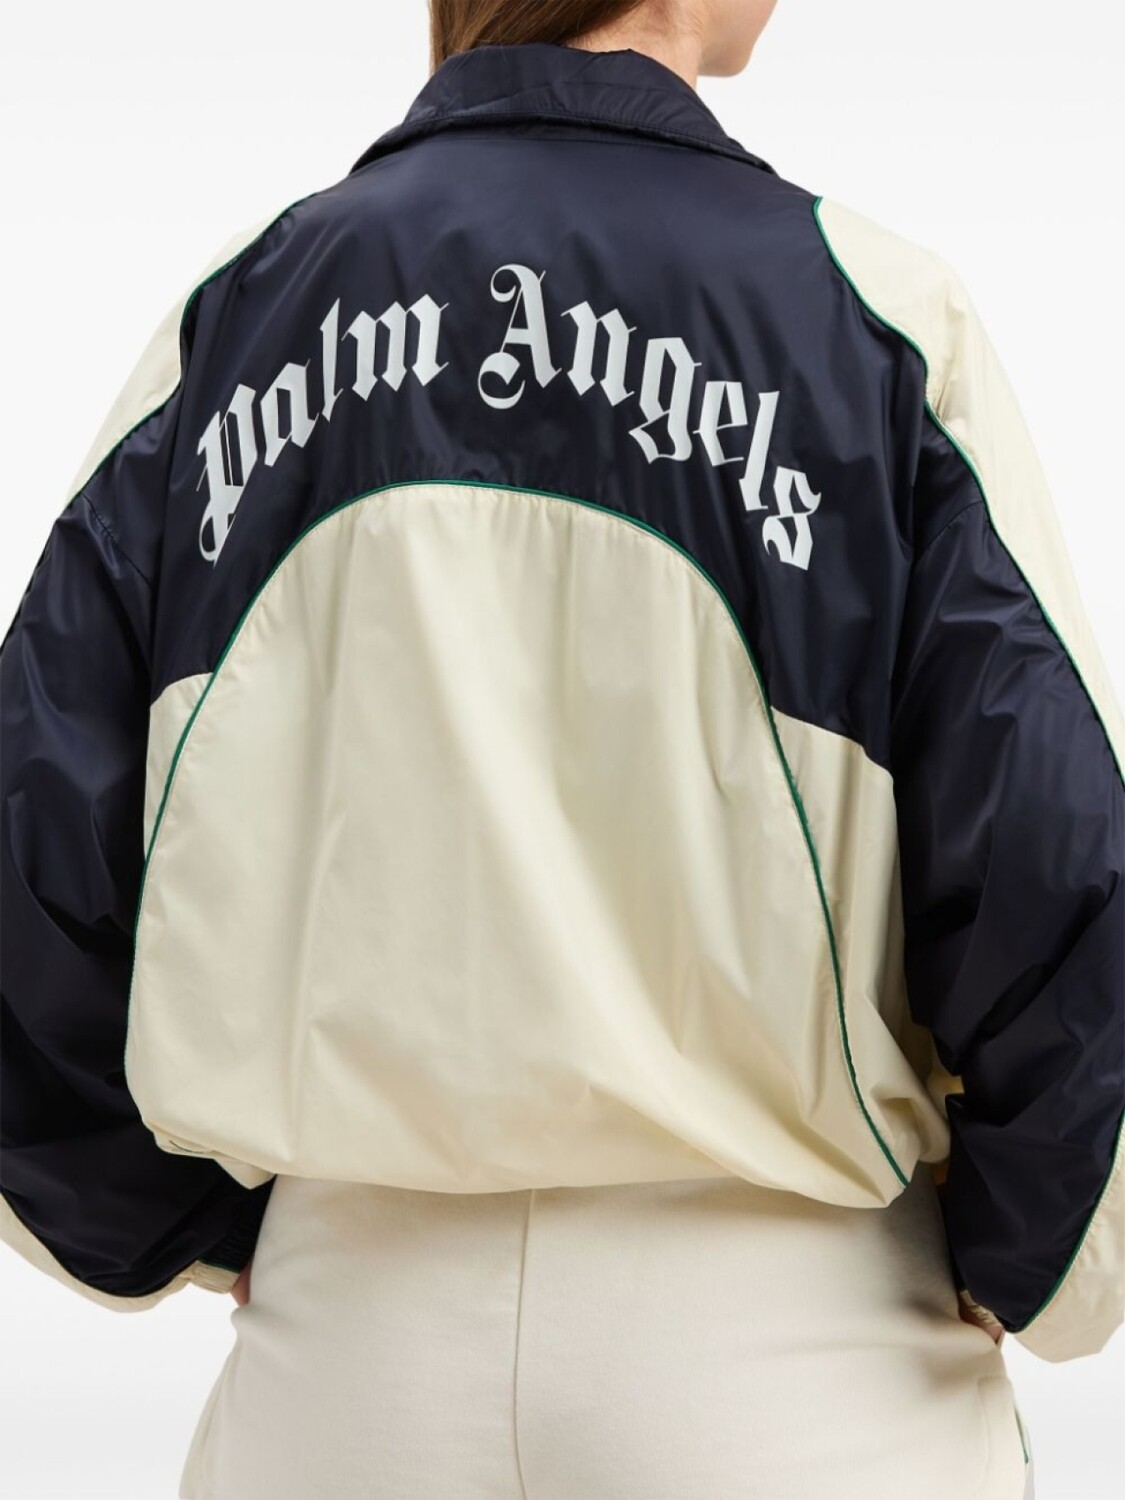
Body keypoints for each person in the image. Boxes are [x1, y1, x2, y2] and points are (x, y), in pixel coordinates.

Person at [1, 0, 1121, 1495]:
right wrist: (1038, 1262)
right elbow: (1057, 861)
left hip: (345, 1369)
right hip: (788, 1370)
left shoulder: (237, 314)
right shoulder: (875, 317)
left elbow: (31, 859)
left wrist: (187, 1231)